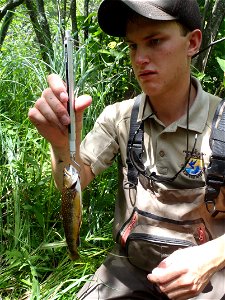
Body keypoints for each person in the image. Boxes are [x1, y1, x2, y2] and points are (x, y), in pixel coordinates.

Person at [28, 0, 225, 299]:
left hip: (211, 274)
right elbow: (72, 183)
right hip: (130, 270)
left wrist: (209, 259)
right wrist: (60, 146)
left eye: (155, 41)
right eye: (133, 46)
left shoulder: (222, 122)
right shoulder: (119, 118)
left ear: (193, 42)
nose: (140, 58)